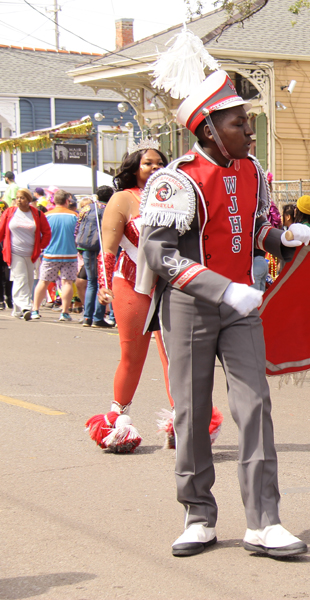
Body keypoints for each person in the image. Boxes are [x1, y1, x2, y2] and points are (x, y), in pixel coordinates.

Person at [138, 70, 308, 558]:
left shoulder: (253, 170)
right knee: (191, 413)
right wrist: (223, 288)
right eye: (240, 124)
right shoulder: (175, 179)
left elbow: (256, 227)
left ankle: (264, 520)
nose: (251, 133)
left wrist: (283, 240)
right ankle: (197, 514)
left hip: (243, 307)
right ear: (209, 128)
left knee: (255, 406)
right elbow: (159, 255)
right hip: (190, 305)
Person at [84, 144, 181, 453]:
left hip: (170, 286)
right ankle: (117, 420)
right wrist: (103, 284)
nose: (154, 167)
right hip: (131, 285)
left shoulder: (179, 198)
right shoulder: (123, 199)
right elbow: (108, 249)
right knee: (132, 355)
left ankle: (182, 422)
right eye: (147, 163)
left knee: (176, 355)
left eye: (160, 163)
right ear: (134, 167)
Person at [29, 189, 78, 322]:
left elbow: (40, 234)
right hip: (70, 253)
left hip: (50, 253)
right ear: (67, 201)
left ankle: (35, 309)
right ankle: (65, 311)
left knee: (43, 281)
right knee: (67, 282)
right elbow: (77, 235)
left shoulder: (47, 216)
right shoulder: (74, 216)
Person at [0, 188, 50, 318]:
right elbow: (1, 230)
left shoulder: (37, 214)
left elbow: (47, 232)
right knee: (21, 278)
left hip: (31, 253)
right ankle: (26, 307)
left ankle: (17, 310)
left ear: (28, 200)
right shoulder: (9, 212)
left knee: (27, 280)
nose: (18, 200)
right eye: (17, 197)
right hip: (14, 252)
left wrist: (41, 246)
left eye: (22, 198)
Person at [75, 185, 113, 327]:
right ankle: (98, 317)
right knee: (102, 283)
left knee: (91, 281)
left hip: (86, 248)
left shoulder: (86, 208)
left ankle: (87, 317)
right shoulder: (109, 210)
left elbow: (77, 228)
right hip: (103, 248)